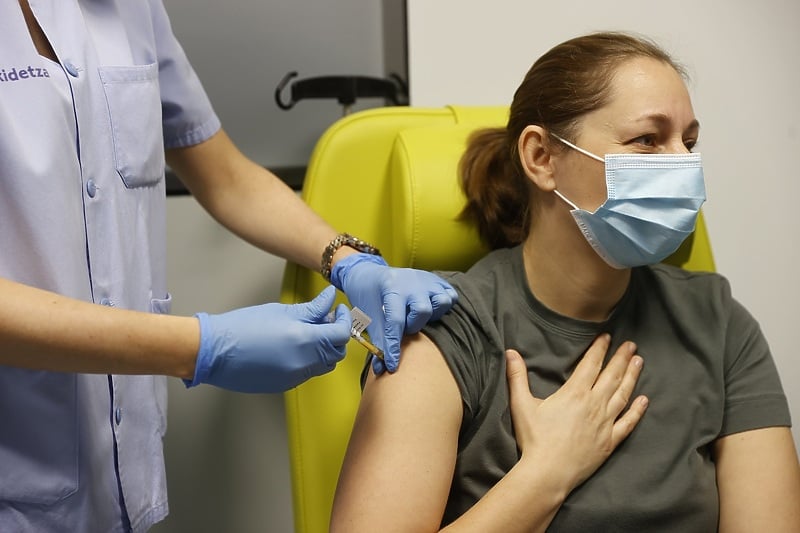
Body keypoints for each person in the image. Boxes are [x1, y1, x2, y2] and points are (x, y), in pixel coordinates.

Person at [0, 1, 457, 531]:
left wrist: (350, 261)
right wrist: (202, 347)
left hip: (115, 484)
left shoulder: (131, 10)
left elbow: (226, 178)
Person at [330, 31, 800, 532]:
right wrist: (547, 474)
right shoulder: (442, 330)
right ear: (541, 158)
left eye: (688, 142)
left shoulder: (719, 322)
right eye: (647, 139)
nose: (680, 164)